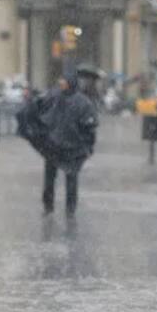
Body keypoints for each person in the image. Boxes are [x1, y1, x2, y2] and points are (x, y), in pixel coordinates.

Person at [40, 71, 98, 216]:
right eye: (61, 81)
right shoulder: (54, 97)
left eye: (64, 81)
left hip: (72, 147)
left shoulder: (82, 102)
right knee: (49, 178)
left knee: (71, 179)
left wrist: (87, 145)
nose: (61, 84)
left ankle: (70, 209)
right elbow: (43, 114)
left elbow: (89, 126)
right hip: (53, 145)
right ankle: (48, 206)